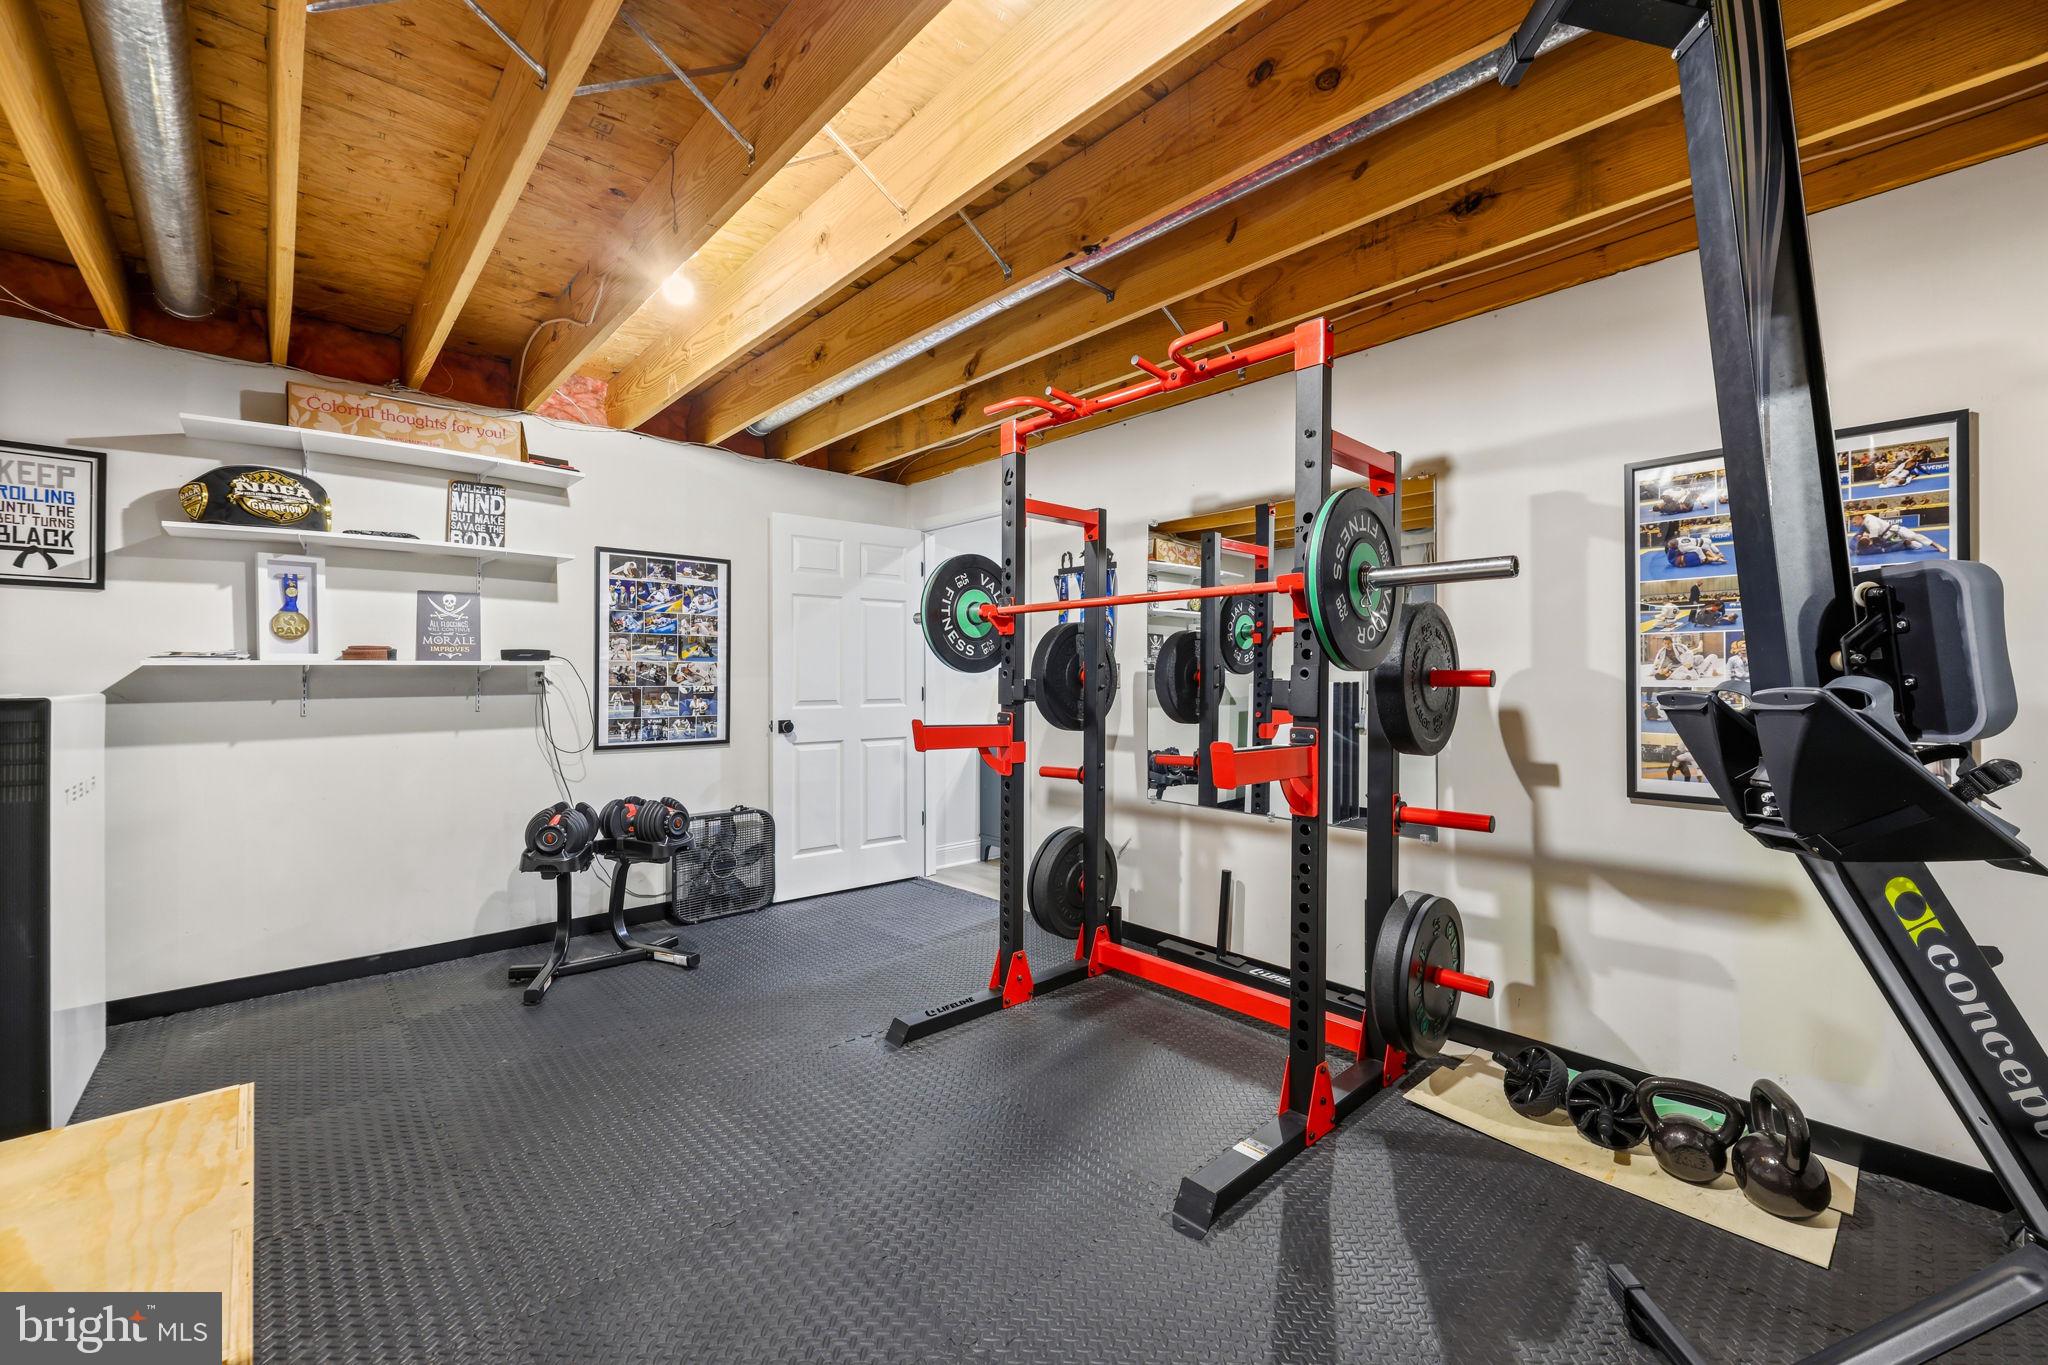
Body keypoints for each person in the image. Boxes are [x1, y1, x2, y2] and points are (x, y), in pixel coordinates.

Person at [1854, 510, 1941, 555]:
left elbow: (1875, 528)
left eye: (1854, 523)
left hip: (1895, 529)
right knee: (1910, 544)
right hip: (1889, 537)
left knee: (1913, 536)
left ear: (1859, 520)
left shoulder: (1869, 520)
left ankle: (1936, 545)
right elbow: (1860, 533)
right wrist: (1860, 536)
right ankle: (1911, 544)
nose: (1854, 525)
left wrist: (1873, 539)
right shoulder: (1865, 524)